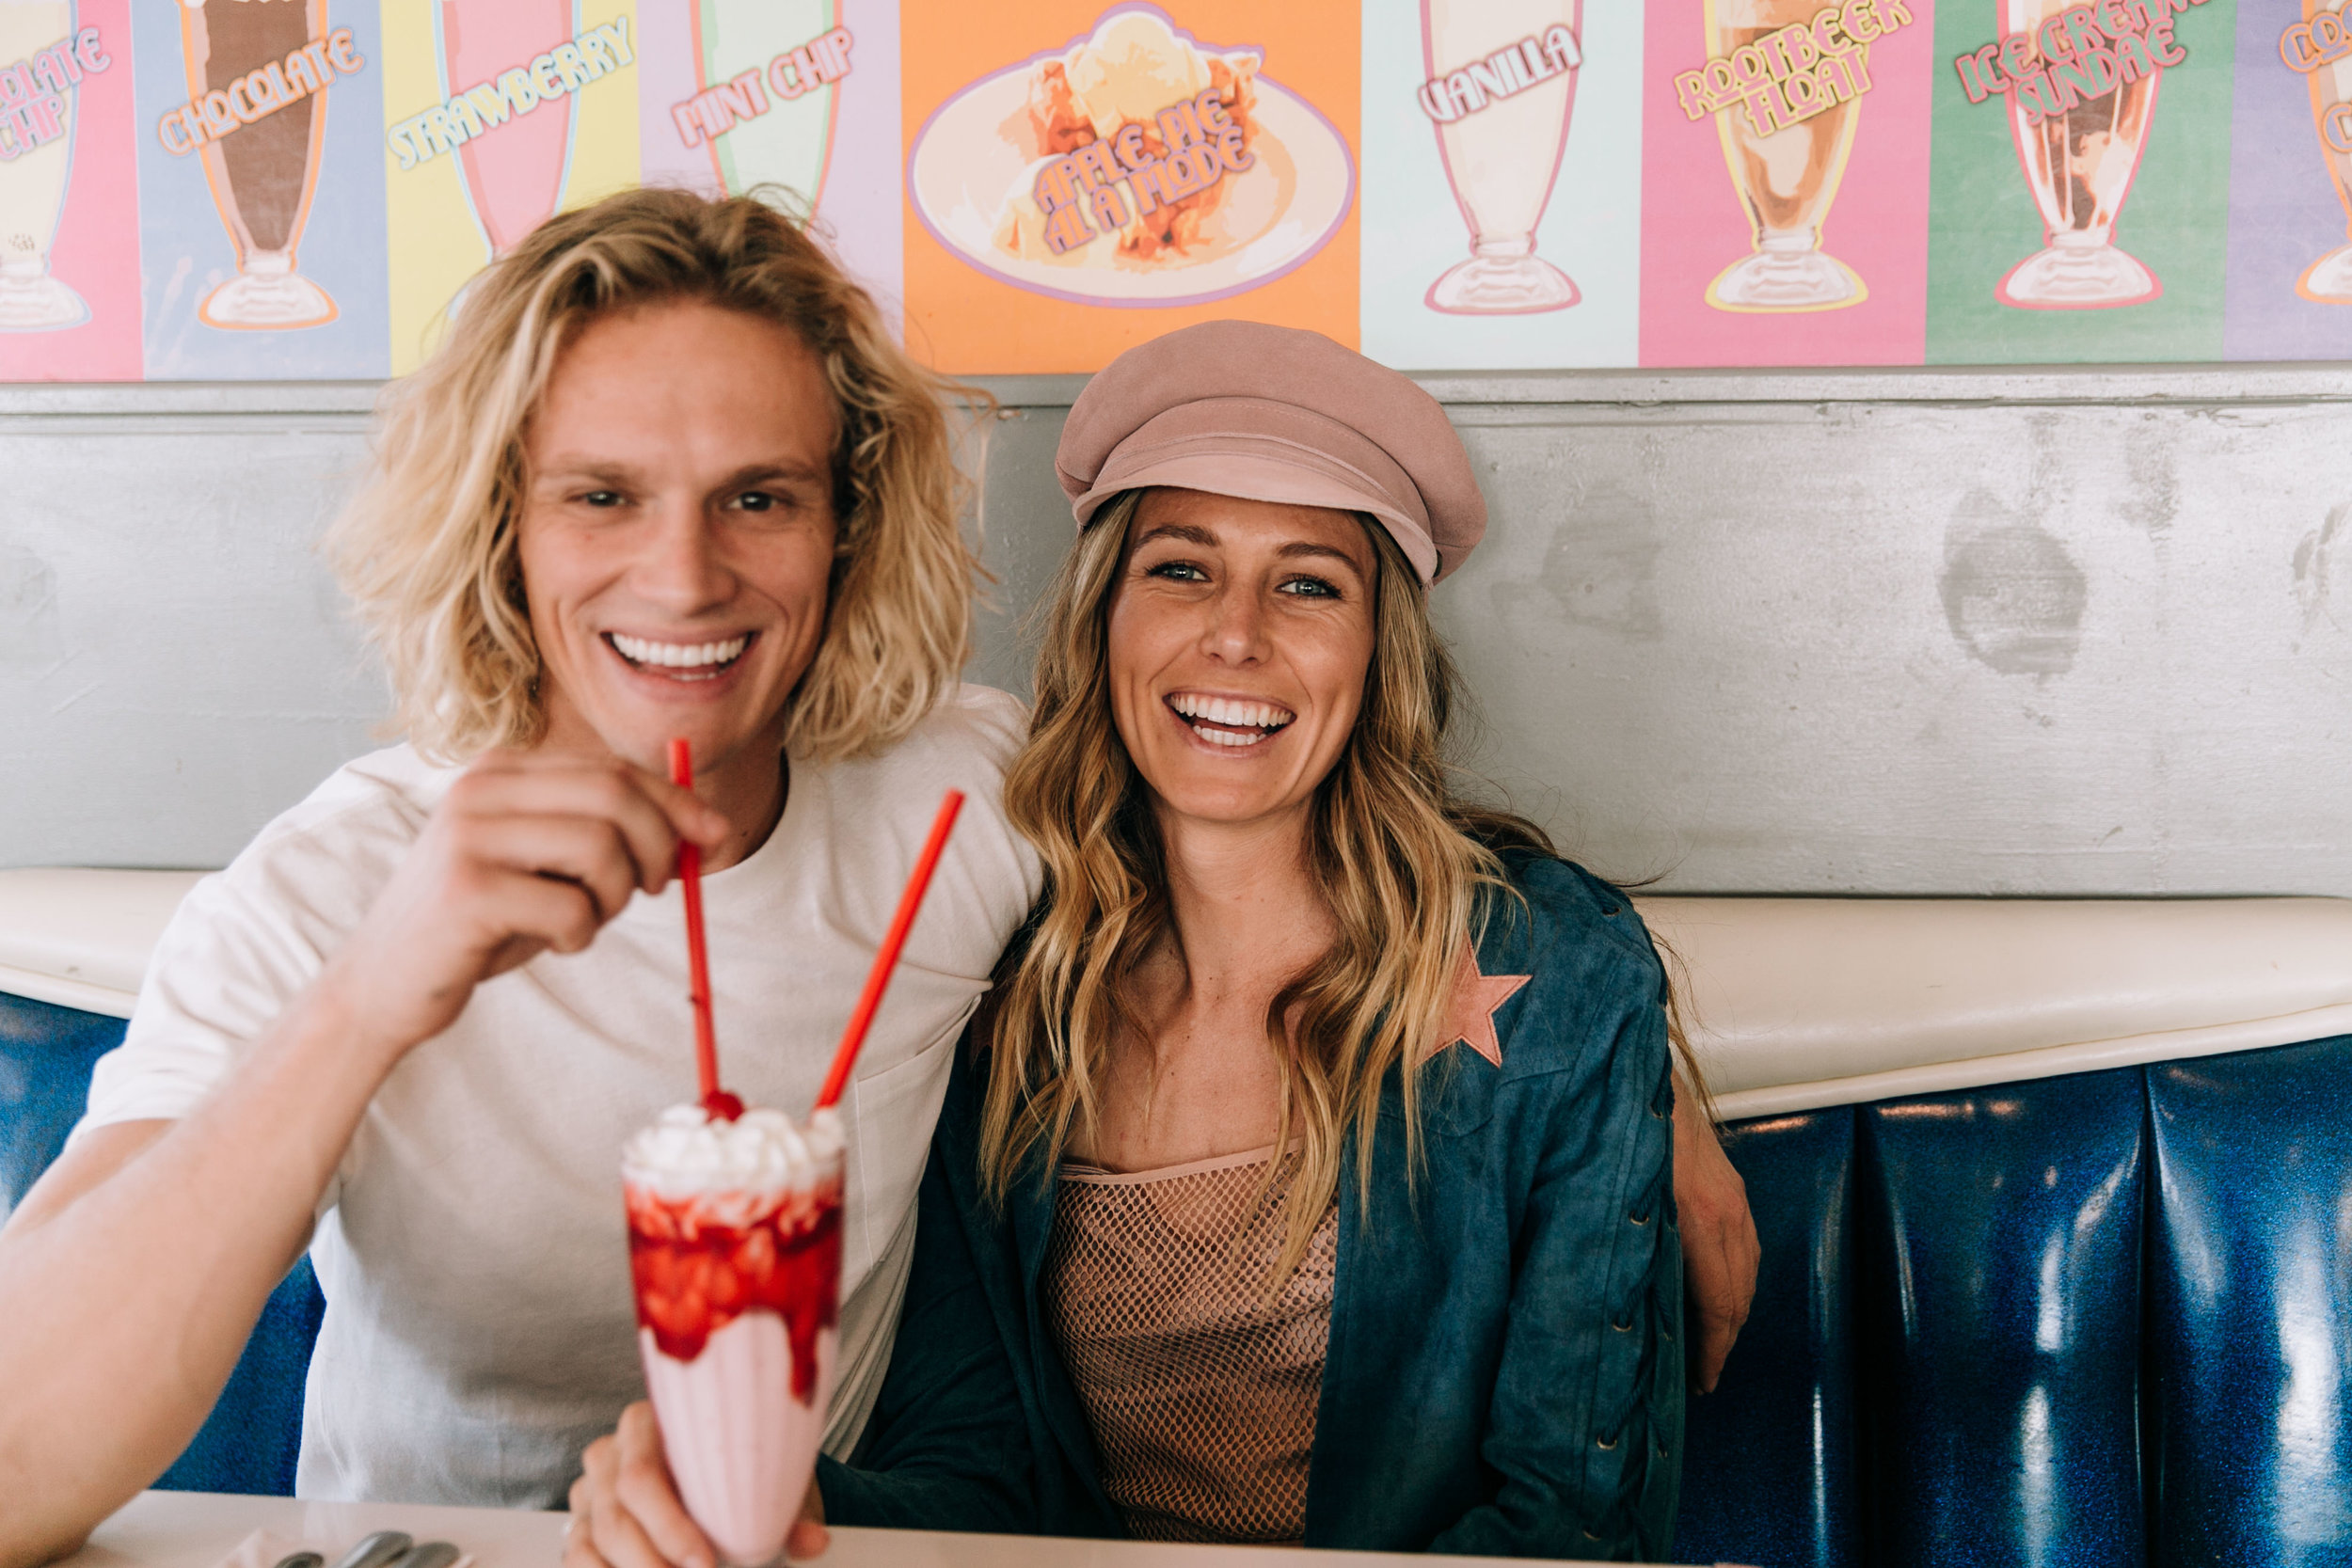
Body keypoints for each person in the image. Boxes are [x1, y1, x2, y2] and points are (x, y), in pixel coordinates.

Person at [571, 322, 1753, 1561]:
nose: (1235, 635)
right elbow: (985, 1487)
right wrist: (767, 1508)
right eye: (1181, 569)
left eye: (1309, 583)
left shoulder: (1556, 981)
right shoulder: (1004, 989)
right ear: (1105, 623)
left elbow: (1570, 1524)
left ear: (1377, 654)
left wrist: (1638, 1069)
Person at [0, 189, 1044, 1568]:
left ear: (847, 529)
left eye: (760, 498)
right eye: (601, 496)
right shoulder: (330, 890)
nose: (684, 577)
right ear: (505, 525)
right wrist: (373, 993)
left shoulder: (962, 805)